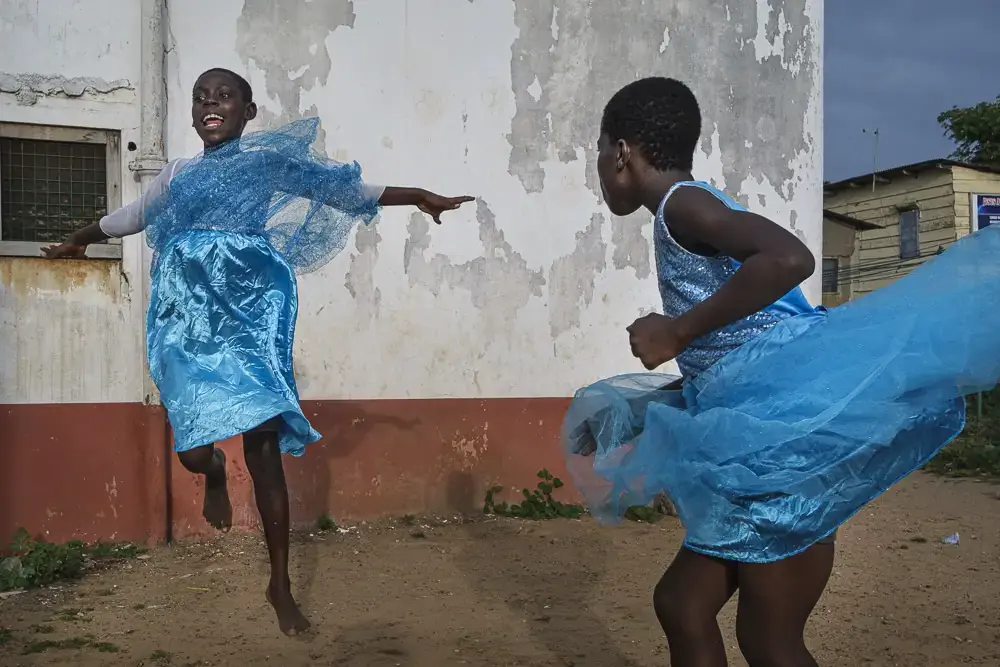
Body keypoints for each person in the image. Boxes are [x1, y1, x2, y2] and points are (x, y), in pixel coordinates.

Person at [563, 76, 1000, 666]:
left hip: (785, 458)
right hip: (762, 442)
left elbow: (790, 258)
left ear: (621, 152)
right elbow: (740, 359)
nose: (596, 164)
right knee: (681, 605)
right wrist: (634, 412)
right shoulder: (686, 211)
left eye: (598, 148)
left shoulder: (682, 205)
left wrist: (676, 329)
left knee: (769, 640)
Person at [42, 67, 473, 636]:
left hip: (249, 313)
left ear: (248, 112)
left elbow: (339, 189)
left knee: (263, 449)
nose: (209, 104)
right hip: (188, 318)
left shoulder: (266, 163)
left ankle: (280, 585)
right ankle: (213, 469)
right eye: (201, 97)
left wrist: (416, 195)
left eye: (224, 96)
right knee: (193, 452)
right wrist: (81, 237)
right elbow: (133, 216)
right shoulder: (178, 173)